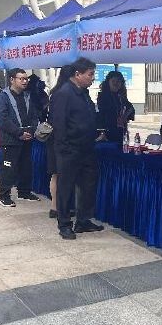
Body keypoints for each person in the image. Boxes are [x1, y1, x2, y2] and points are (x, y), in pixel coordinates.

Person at [50, 57, 104, 240]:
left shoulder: (84, 93)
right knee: (66, 188)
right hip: (70, 150)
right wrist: (65, 148)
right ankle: (64, 224)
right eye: (90, 74)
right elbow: (59, 124)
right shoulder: (64, 93)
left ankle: (83, 220)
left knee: (88, 185)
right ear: (77, 74)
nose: (93, 78)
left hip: (87, 148)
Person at [0, 68, 41, 207]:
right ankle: (4, 195)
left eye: (26, 79)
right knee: (8, 168)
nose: (25, 81)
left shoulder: (27, 96)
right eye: (21, 78)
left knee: (26, 167)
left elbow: (34, 116)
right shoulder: (3, 97)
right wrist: (19, 133)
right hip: (11, 139)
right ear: (12, 80)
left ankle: (24, 192)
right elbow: (3, 119)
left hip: (27, 138)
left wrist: (31, 130)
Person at [46, 65, 75, 219]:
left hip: (54, 139)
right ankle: (58, 208)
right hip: (61, 140)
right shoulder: (64, 94)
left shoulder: (55, 93)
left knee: (56, 174)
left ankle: (55, 207)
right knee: (59, 175)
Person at [97, 70, 135, 144]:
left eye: (118, 81)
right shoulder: (103, 96)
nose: (116, 83)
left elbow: (131, 108)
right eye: (113, 81)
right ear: (108, 82)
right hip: (108, 131)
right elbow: (104, 113)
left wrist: (124, 117)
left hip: (121, 131)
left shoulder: (121, 96)